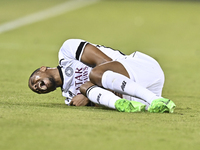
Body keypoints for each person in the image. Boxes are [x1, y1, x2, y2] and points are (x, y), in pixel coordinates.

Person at [28, 39, 176, 113]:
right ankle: (138, 103)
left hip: (140, 69)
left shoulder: (67, 52)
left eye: (34, 81)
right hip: (138, 99)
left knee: (95, 75)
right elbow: (102, 104)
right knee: (86, 86)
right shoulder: (69, 98)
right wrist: (89, 95)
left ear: (43, 69)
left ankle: (156, 100)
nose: (36, 87)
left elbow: (106, 62)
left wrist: (86, 96)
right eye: (35, 89)